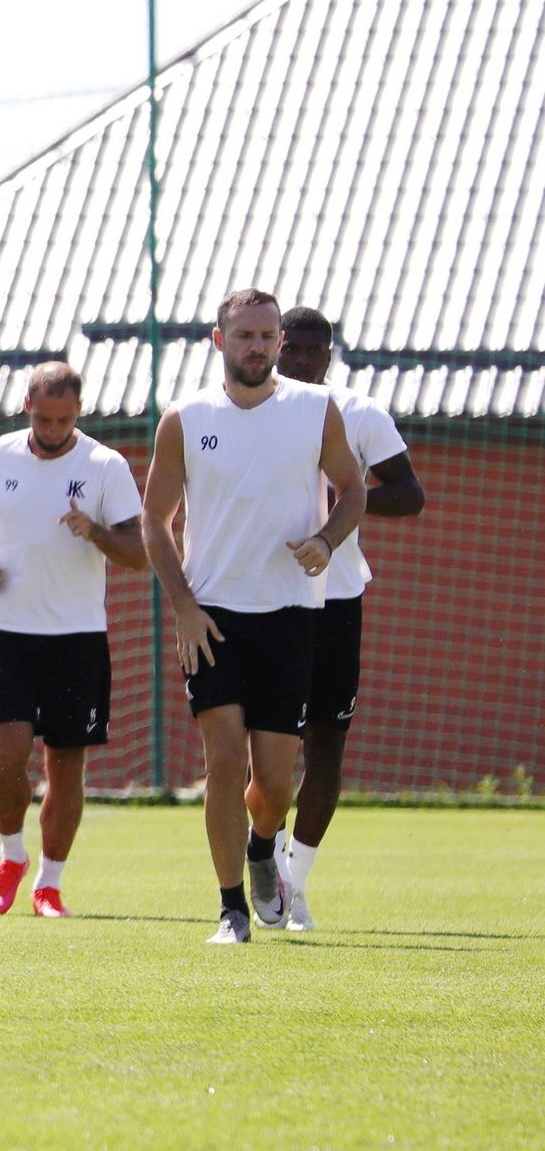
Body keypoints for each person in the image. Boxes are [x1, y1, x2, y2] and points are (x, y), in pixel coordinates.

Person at [141, 289, 368, 945]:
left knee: (271, 782)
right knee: (222, 762)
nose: (259, 347)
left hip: (292, 614)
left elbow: (353, 490)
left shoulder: (314, 411)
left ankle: (262, 847)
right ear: (219, 340)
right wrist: (183, 604)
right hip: (211, 616)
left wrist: (325, 541)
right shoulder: (185, 417)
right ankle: (230, 911)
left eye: (267, 336)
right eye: (245, 335)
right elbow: (153, 520)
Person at [0, 361, 146, 918]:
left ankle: (49, 883)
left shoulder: (106, 466)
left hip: (78, 637)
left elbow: (139, 553)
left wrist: (97, 532)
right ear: (26, 408)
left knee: (65, 766)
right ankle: (11, 856)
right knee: (8, 756)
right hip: (10, 630)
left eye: (64, 421)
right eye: (44, 419)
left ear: (79, 413)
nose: (53, 430)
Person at [268, 306, 426, 928]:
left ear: (329, 354)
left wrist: (343, 498)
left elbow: (409, 494)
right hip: (265, 599)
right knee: (266, 744)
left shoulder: (358, 413)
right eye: (293, 348)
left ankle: (295, 883)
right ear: (274, 349)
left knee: (326, 744)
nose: (303, 360)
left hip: (334, 600)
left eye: (315, 350)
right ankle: (267, 867)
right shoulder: (242, 414)